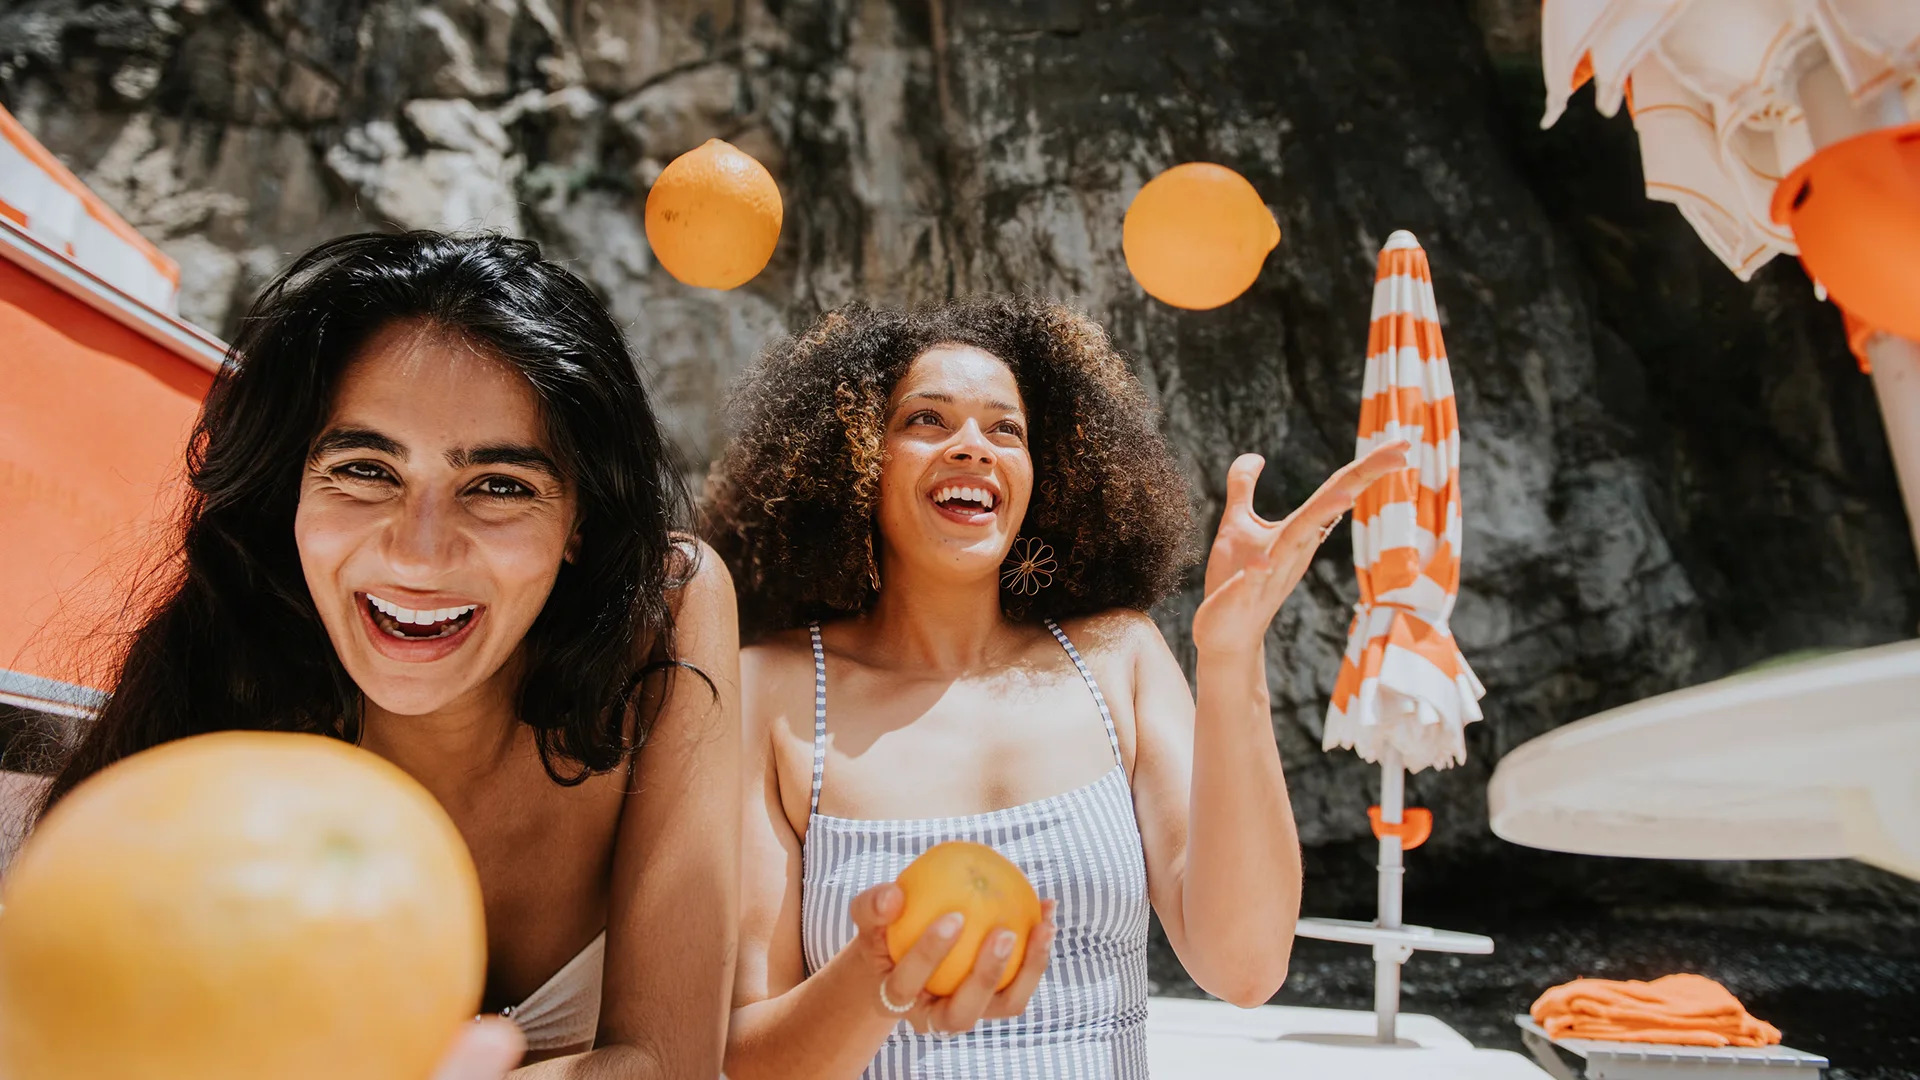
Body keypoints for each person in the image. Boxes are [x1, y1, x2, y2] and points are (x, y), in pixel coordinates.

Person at [30, 232, 741, 1078]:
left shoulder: (667, 610)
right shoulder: (215, 704)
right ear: (289, 490)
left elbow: (671, 1060)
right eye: (365, 469)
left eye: (500, 485)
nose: (418, 553)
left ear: (580, 521)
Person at [704, 296, 1407, 1078]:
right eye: (927, 420)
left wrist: (1235, 655)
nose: (974, 445)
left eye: (1007, 429)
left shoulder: (1120, 658)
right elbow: (745, 1057)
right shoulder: (771, 691)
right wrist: (882, 974)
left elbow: (1244, 967)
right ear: (857, 459)